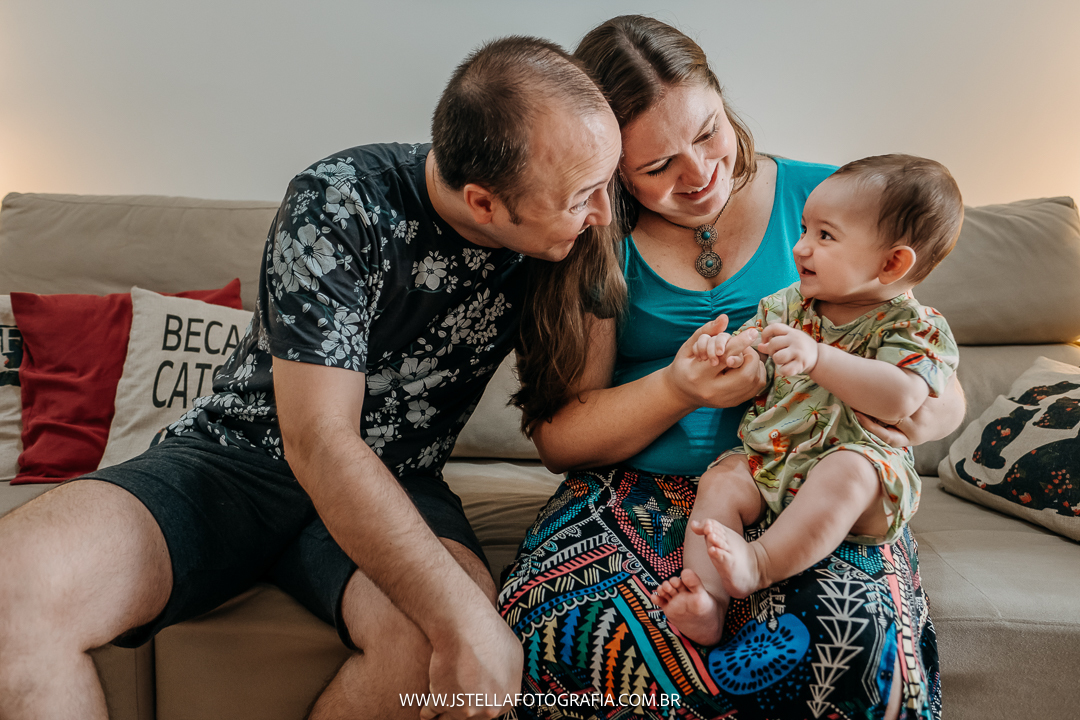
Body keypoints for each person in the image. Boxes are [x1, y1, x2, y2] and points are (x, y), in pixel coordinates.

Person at [0, 37, 621, 720]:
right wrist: (462, 618)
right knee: (12, 591)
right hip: (236, 462)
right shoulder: (340, 202)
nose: (603, 214)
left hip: (400, 480)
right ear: (483, 203)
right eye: (585, 197)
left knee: (432, 662)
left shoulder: (562, 236)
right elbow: (320, 440)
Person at [499, 16, 964, 720]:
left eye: (709, 131)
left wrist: (925, 409)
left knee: (850, 641)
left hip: (810, 492)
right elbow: (559, 437)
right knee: (574, 635)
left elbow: (925, 361)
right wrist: (677, 387)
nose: (700, 173)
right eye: (656, 167)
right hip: (638, 489)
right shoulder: (594, 237)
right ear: (609, 164)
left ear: (722, 98)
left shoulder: (833, 204)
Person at [653, 154, 963, 646]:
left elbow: (902, 395)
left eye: (825, 236)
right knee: (720, 482)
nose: (800, 248)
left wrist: (818, 357)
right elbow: (753, 341)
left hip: (863, 477)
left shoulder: (915, 327)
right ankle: (707, 601)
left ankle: (758, 564)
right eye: (803, 229)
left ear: (891, 263)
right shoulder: (789, 304)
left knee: (847, 472)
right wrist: (728, 349)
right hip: (773, 458)